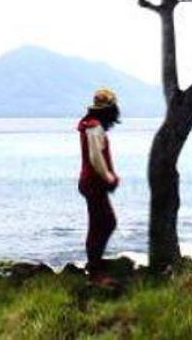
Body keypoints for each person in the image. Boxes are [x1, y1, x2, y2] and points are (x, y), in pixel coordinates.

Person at [77, 88, 121, 283]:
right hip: (94, 182)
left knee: (99, 223)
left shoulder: (90, 125)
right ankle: (95, 270)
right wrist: (109, 177)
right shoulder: (94, 127)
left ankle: (95, 266)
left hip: (91, 182)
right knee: (104, 223)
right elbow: (95, 157)